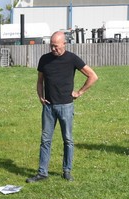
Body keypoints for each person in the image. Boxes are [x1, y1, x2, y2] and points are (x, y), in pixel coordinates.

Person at [26, 31, 98, 183]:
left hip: (66, 105)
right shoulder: (44, 59)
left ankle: (67, 170)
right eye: (51, 46)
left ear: (64, 44)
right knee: (45, 140)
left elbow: (93, 76)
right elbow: (40, 80)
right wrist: (40, 96)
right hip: (48, 107)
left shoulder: (72, 59)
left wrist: (79, 92)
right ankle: (42, 172)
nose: (53, 49)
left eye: (56, 46)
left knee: (68, 139)